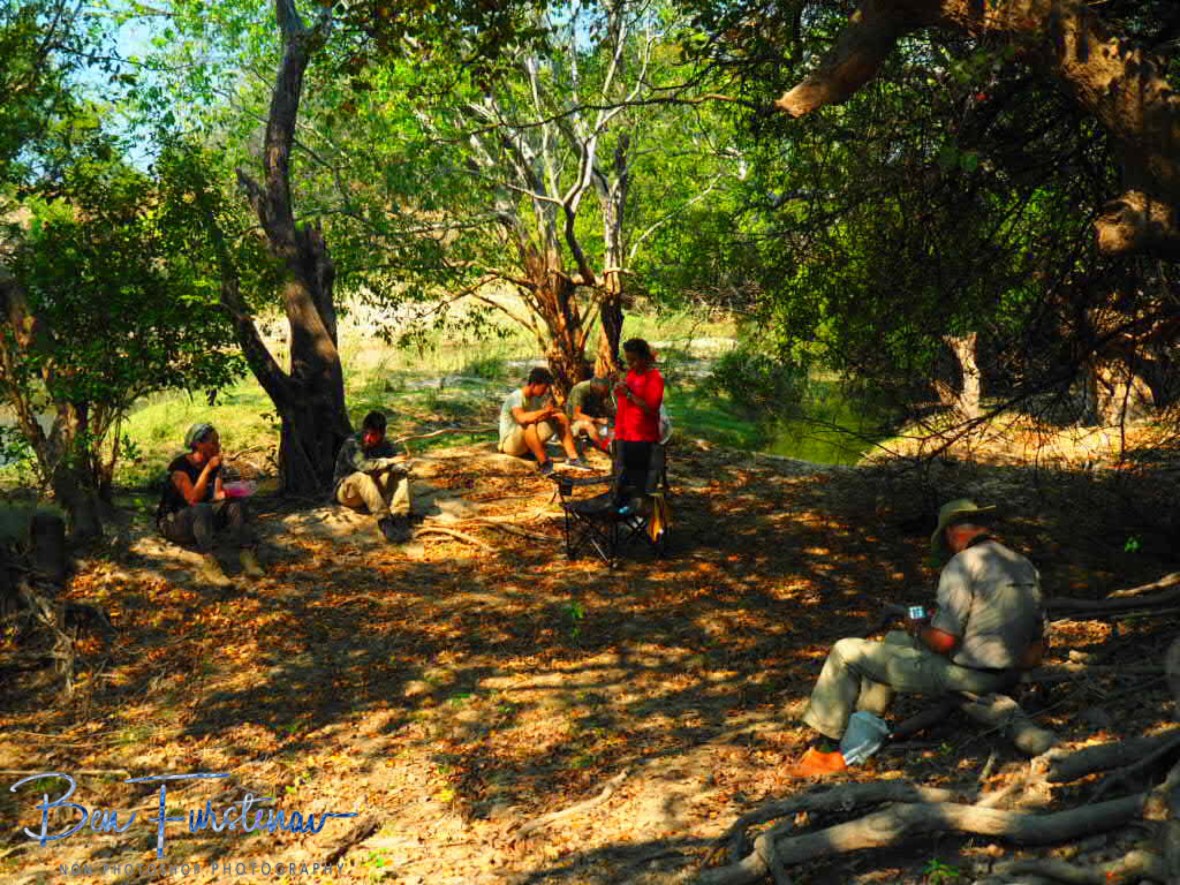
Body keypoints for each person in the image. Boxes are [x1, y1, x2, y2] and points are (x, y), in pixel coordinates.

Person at [800, 499, 1046, 744]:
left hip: (970, 676)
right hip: (1010, 673)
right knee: (894, 640)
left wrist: (917, 627)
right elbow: (1037, 644)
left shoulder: (962, 564)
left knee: (844, 651)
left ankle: (825, 749)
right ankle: (865, 728)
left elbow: (943, 642)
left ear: (950, 532)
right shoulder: (1022, 564)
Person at [157, 422, 263, 587]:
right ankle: (210, 562)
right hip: (175, 523)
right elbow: (193, 499)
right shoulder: (179, 467)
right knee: (201, 508)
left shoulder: (215, 465)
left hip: (202, 520)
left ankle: (247, 554)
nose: (218, 446)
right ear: (198, 444)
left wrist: (238, 491)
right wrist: (207, 469)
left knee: (235, 503)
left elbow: (216, 495)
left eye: (218, 442)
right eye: (213, 442)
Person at [333, 411, 414, 543]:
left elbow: (397, 460)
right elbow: (365, 466)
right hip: (348, 494)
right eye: (366, 433)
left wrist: (403, 465)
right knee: (362, 476)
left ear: (382, 434)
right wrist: (389, 461)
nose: (368, 438)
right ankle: (384, 521)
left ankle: (401, 516)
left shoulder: (385, 444)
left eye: (374, 435)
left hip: (372, 491)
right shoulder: (352, 443)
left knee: (400, 474)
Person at [498, 367, 591, 475]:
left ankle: (573, 458)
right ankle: (544, 463)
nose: (546, 390)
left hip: (527, 439)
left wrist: (550, 413)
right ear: (534, 384)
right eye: (545, 387)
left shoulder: (536, 399)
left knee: (560, 417)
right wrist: (544, 411)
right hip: (510, 445)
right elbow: (521, 418)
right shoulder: (516, 397)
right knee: (529, 424)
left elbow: (537, 418)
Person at [613, 338, 665, 493]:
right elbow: (623, 397)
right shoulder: (631, 374)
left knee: (637, 479)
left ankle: (639, 504)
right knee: (622, 476)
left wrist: (629, 394)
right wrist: (619, 388)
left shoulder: (654, 378)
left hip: (641, 436)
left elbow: (652, 409)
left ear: (644, 357)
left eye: (634, 360)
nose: (630, 364)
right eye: (628, 360)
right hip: (623, 432)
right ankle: (622, 503)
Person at [566, 376, 615, 451]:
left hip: (591, 418)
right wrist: (597, 420)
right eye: (603, 391)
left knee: (610, 428)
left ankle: (612, 446)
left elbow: (603, 408)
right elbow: (576, 415)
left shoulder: (599, 391)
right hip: (574, 422)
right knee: (589, 426)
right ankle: (606, 448)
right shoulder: (580, 389)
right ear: (597, 387)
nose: (604, 394)